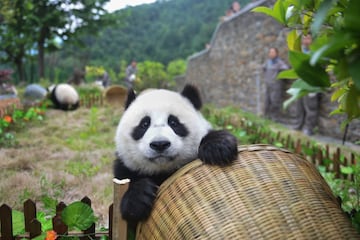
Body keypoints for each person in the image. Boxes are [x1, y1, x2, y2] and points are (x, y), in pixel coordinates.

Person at [293, 34, 321, 136]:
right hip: (300, 84)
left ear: (312, 40)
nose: (305, 41)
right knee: (299, 106)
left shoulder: (316, 53)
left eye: (308, 38)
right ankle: (297, 126)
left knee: (311, 107)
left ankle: (309, 129)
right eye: (304, 38)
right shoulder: (300, 53)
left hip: (312, 85)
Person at [262, 47, 288, 121]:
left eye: (273, 52)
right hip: (268, 84)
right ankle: (266, 116)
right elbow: (263, 68)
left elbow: (286, 68)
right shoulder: (268, 62)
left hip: (276, 85)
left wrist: (279, 72)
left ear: (276, 53)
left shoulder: (279, 62)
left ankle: (275, 118)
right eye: (270, 52)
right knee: (267, 101)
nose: (271, 54)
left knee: (275, 102)